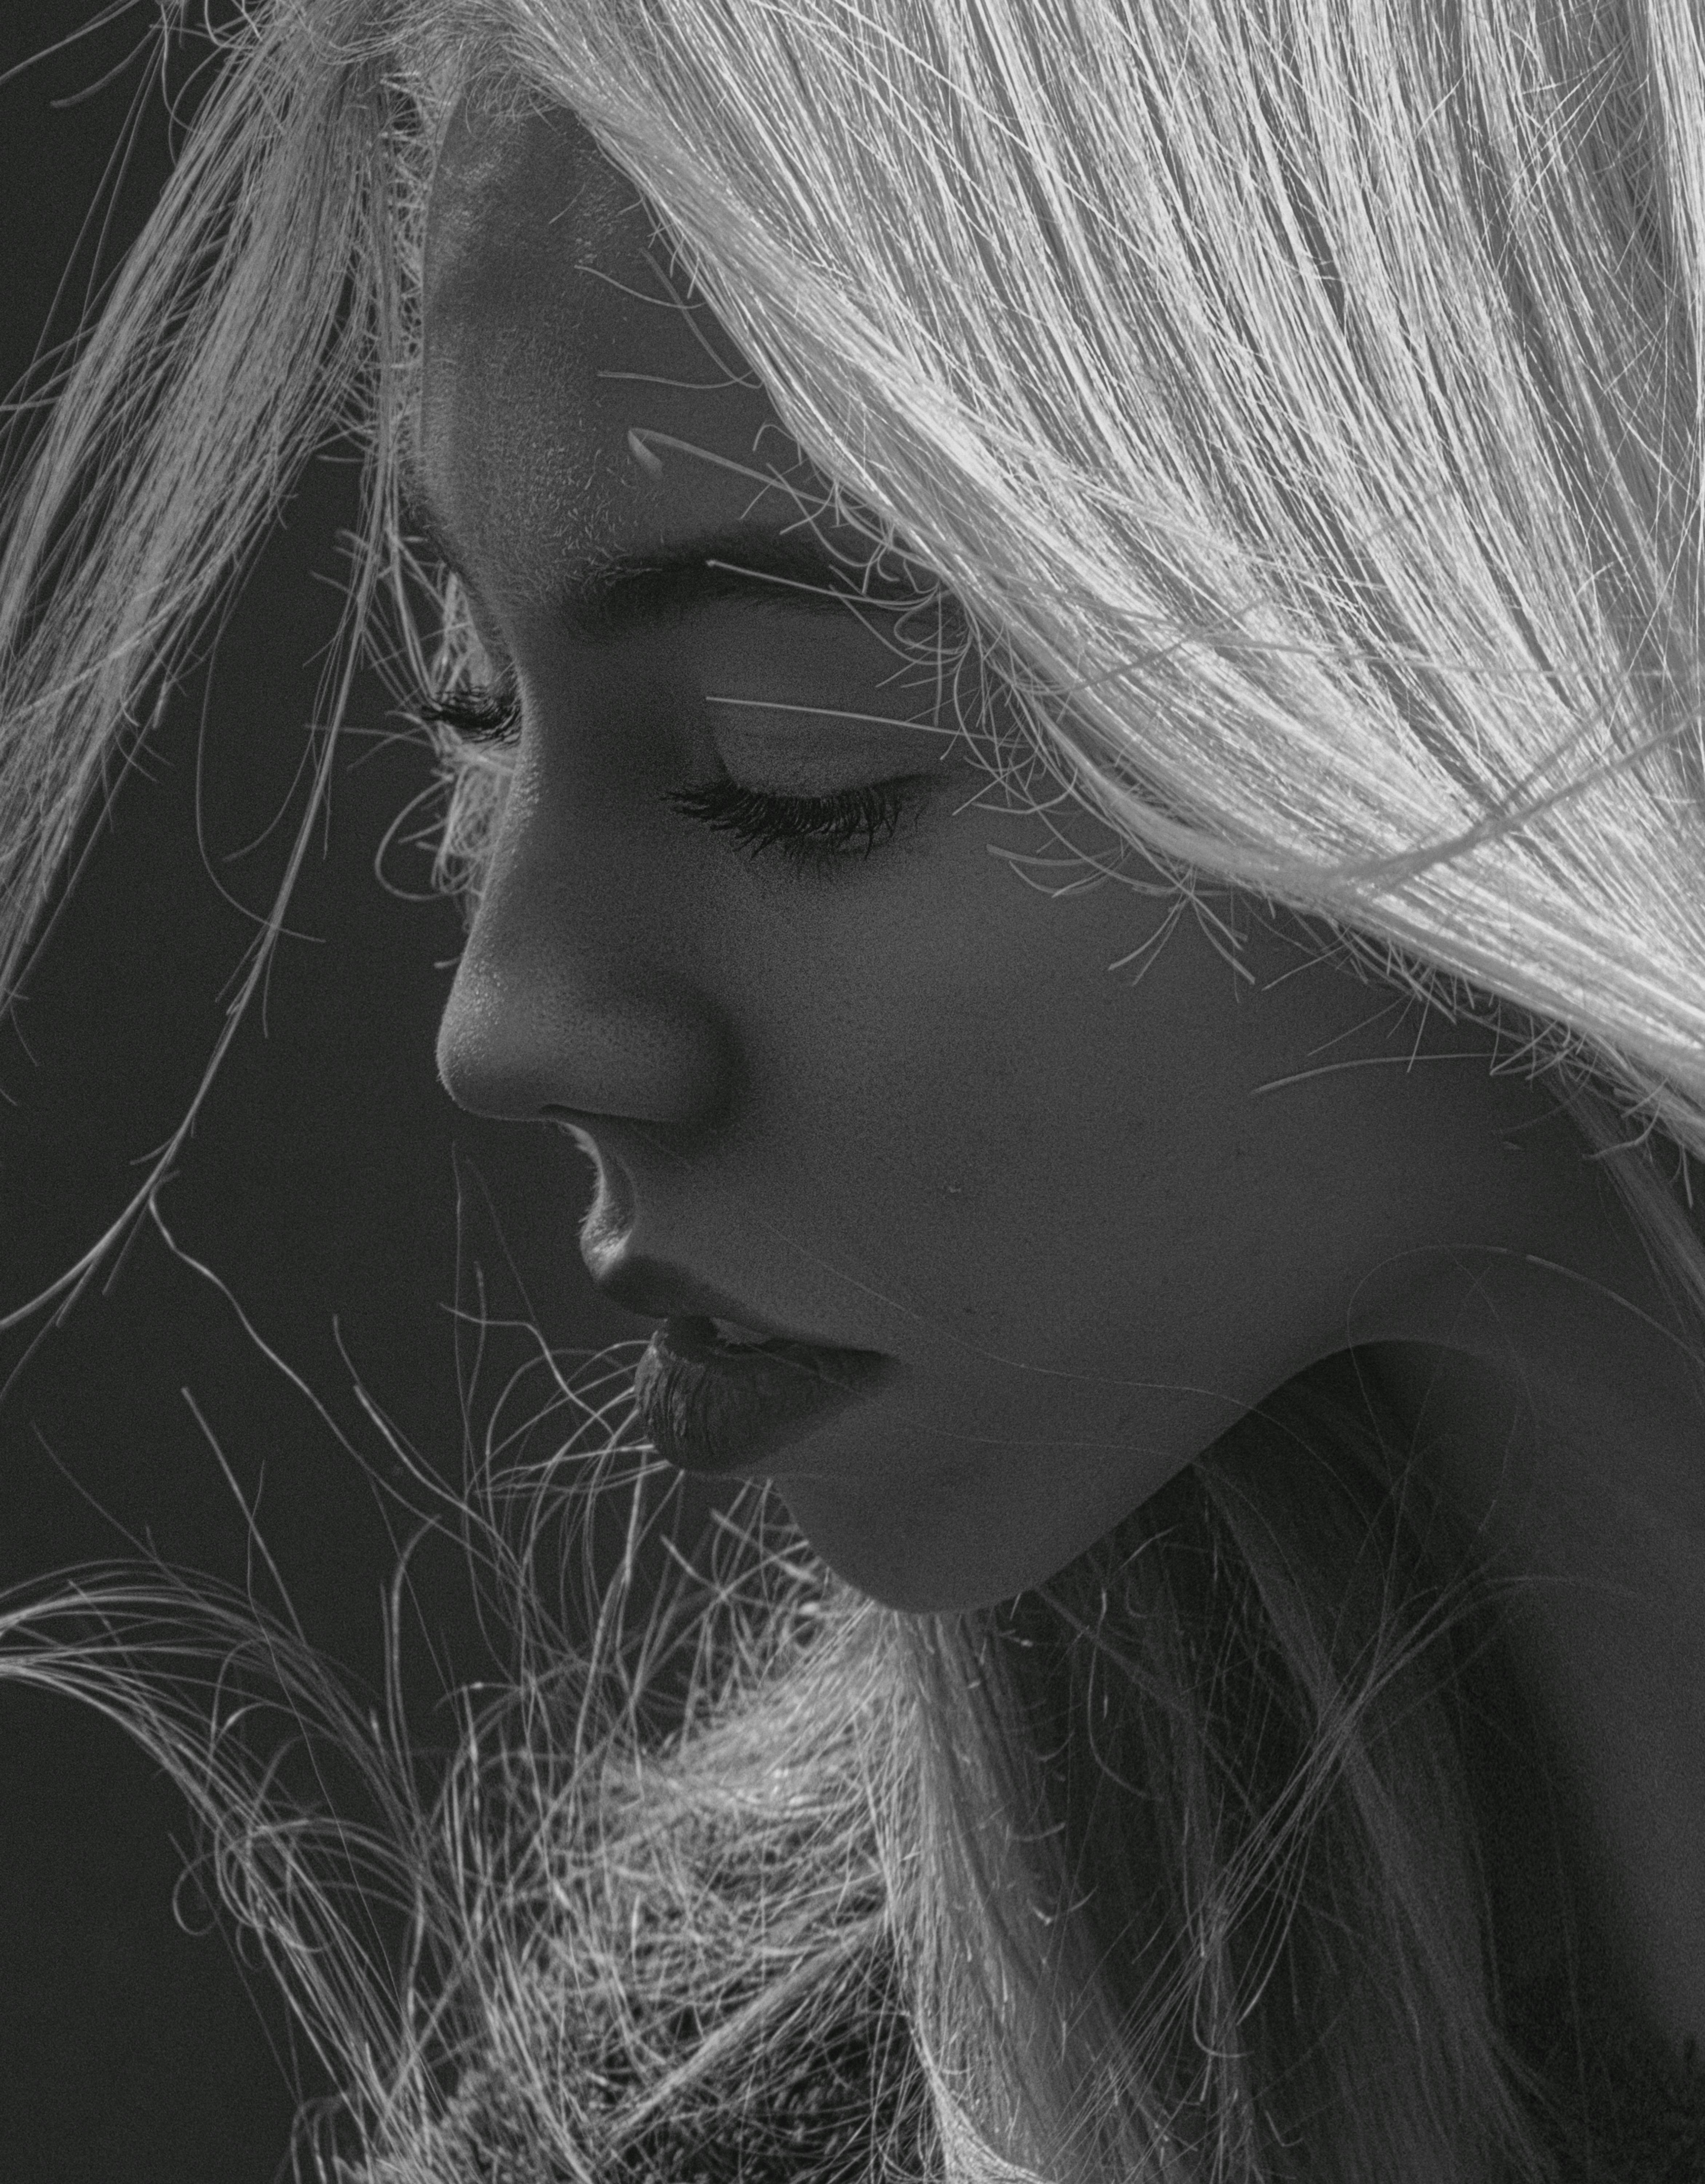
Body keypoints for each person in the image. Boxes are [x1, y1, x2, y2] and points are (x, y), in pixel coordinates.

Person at [2, 0, 1704, 2177]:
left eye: (781, 758)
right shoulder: (741, 2088)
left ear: (1548, 609)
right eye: (474, 698)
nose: (504, 1023)